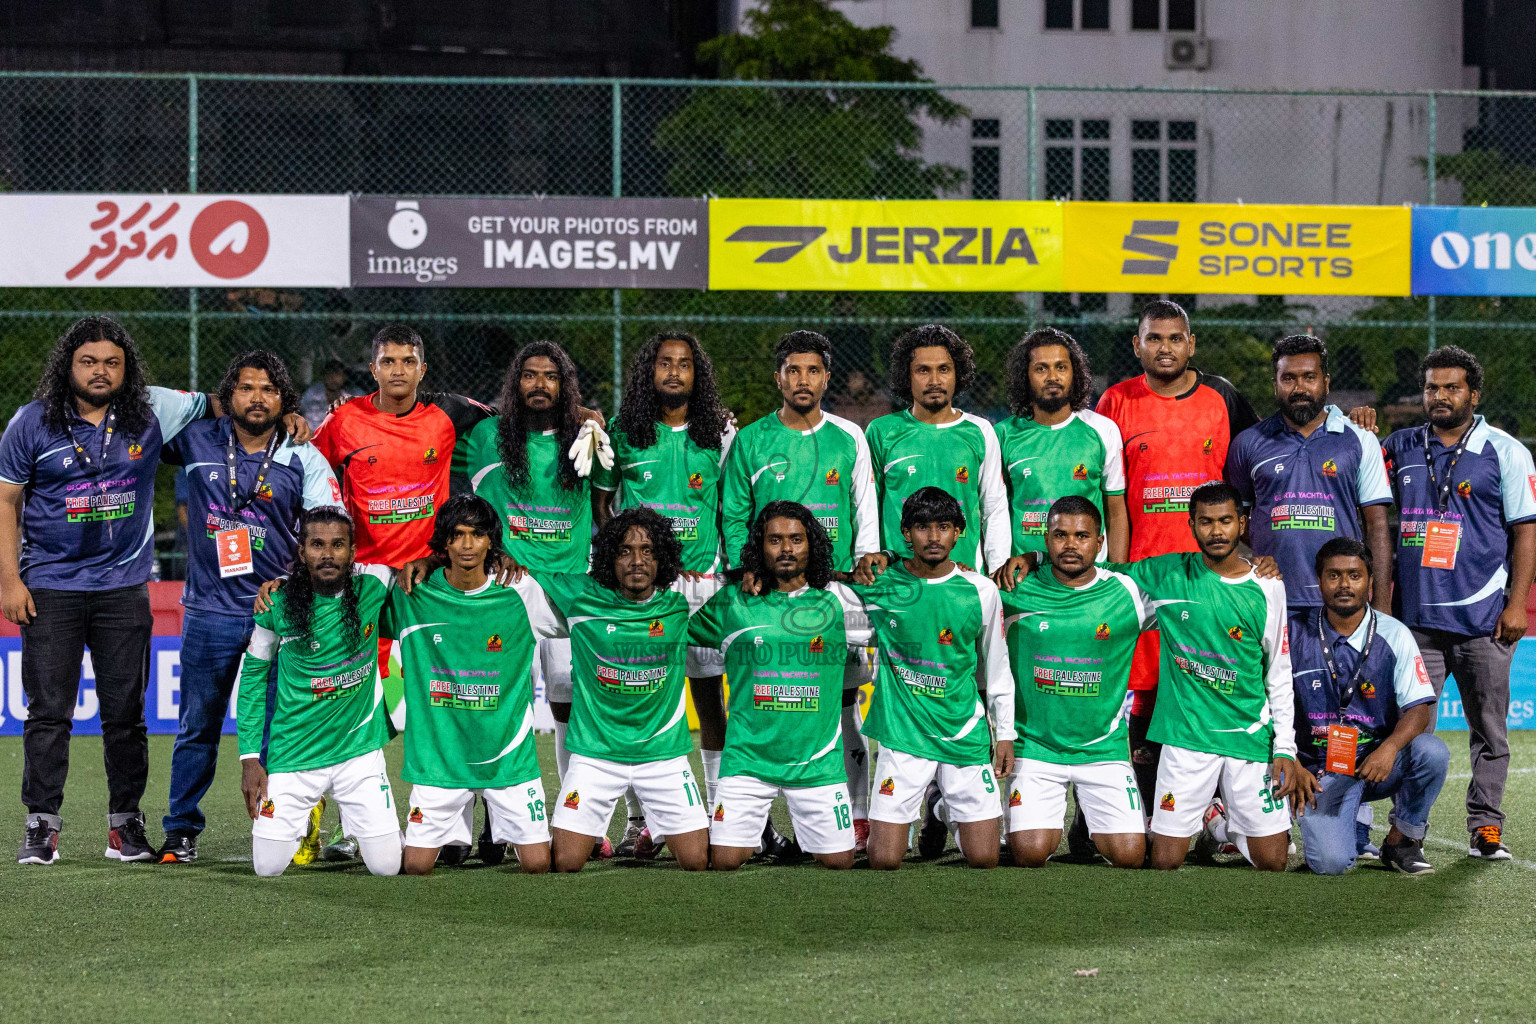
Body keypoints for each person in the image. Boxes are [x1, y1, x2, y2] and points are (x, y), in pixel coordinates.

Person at [1, 316, 302, 867]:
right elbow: (5, 501)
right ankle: (41, 826)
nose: (100, 371)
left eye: (112, 362)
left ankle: (125, 826)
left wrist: (288, 416)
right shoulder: (31, 424)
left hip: (123, 587)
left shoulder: (152, 409)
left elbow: (227, 401)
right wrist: (9, 580)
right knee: (48, 712)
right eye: (88, 361)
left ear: (127, 367)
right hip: (51, 585)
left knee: (125, 715)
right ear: (68, 364)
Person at [156, 351, 340, 864]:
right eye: (245, 388)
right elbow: (140, 420)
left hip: (278, 614)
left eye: (268, 390)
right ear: (228, 396)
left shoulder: (302, 454)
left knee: (284, 727)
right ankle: (181, 830)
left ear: (284, 401)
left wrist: (296, 585)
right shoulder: (195, 439)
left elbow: (330, 527)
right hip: (210, 610)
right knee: (198, 725)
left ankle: (288, 824)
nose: (256, 398)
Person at [1093, 299, 1258, 825]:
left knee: (1213, 679)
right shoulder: (1115, 401)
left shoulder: (1223, 397)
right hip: (1140, 573)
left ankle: (1224, 813)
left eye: (1175, 338)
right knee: (1142, 690)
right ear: (1136, 345)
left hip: (1210, 573)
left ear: (1192, 344)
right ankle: (1137, 810)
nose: (1165, 347)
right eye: (1154, 338)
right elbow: (1101, 488)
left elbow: (1264, 450)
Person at [720, 329, 879, 846]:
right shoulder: (751, 440)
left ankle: (857, 814)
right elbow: (736, 514)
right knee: (769, 696)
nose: (803, 379)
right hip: (769, 593)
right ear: (779, 378)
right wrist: (747, 567)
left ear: (827, 377)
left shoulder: (848, 437)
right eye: (793, 370)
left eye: (813, 370)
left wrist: (861, 563)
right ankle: (758, 820)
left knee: (842, 699)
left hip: (832, 590)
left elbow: (864, 507)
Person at [1381, 345, 1536, 861]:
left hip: (1483, 620)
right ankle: (1406, 833)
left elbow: (1525, 533)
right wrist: (1355, 420)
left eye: (1451, 387)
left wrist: (1518, 605)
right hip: (1417, 623)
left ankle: (1486, 826)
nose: (1440, 396)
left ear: (1474, 392)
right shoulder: (1400, 445)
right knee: (1411, 733)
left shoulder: (1506, 450)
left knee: (1489, 730)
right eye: (1431, 388)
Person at [464, 340, 613, 855]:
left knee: (573, 705)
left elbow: (604, 511)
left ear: (564, 385)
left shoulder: (587, 436)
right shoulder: (485, 436)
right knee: (495, 705)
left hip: (573, 586)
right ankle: (489, 826)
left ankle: (577, 822)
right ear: (515, 383)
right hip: (507, 587)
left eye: (550, 376)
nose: (539, 385)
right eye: (529, 375)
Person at [593, 331, 734, 857]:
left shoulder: (719, 433)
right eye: (664, 363)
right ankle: (640, 823)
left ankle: (722, 813)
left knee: (710, 701)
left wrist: (722, 567)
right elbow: (604, 507)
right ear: (648, 372)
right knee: (642, 697)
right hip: (643, 593)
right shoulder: (623, 434)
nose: (674, 372)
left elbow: (727, 508)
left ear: (698, 375)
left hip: (702, 589)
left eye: (684, 364)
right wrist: (624, 569)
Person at [1126, 481, 1297, 872]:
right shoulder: (1168, 575)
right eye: (1205, 522)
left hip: (1247, 738)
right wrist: (1035, 558)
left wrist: (1284, 748)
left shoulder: (1268, 586)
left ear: (1242, 522)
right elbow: (1100, 575)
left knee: (1272, 863)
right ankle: (1213, 819)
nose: (1216, 531)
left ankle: (1219, 825)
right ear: (1191, 525)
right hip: (1187, 739)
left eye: (1225, 521)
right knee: (1165, 861)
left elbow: (1278, 673)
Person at [382, 495, 558, 875]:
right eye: (457, 535)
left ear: (491, 541)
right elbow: (353, 586)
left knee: (540, 865)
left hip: (508, 761)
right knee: (415, 868)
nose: (466, 545)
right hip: (439, 761)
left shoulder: (521, 591)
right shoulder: (413, 592)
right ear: (443, 542)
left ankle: (495, 824)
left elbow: (578, 613)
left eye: (477, 535)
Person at [538, 508, 717, 872]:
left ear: (662, 557)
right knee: (565, 862)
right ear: (608, 557)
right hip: (595, 756)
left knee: (698, 860)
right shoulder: (580, 596)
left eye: (648, 551)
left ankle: (655, 827)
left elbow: (743, 590)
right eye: (625, 551)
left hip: (662, 757)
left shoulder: (682, 598)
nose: (637, 561)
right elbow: (527, 573)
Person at [848, 487, 1015, 870]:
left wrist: (1004, 734)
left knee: (986, 858)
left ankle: (940, 807)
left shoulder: (981, 590)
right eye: (922, 527)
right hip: (904, 735)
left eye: (944, 526)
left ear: (959, 532)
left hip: (962, 732)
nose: (933, 536)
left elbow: (998, 666)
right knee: (884, 859)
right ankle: (938, 801)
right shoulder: (881, 586)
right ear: (906, 533)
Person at [690, 502, 859, 871]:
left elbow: (909, 611)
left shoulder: (839, 600)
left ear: (811, 545)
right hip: (748, 761)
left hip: (817, 765)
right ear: (759, 547)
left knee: (840, 861)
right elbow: (672, 625)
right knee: (723, 861)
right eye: (775, 540)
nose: (786, 549)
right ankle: (759, 831)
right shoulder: (735, 600)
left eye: (796, 539)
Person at [236, 506, 402, 877]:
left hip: (358, 755)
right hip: (294, 756)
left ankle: (367, 824)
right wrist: (249, 758)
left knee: (388, 867)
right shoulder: (276, 602)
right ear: (301, 552)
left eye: (338, 545)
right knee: (266, 868)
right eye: (317, 545)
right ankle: (309, 816)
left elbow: (419, 568)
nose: (328, 554)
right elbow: (251, 680)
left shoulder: (373, 586)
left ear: (353, 551)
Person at [996, 496, 1153, 869]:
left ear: (1100, 543)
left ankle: (1086, 817)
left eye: (1082, 536)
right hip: (1035, 748)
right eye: (1060, 535)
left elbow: (1194, 580)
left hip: (1103, 750)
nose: (1070, 544)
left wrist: (1255, 567)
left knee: (1130, 856)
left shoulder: (1128, 591)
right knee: (1030, 853)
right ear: (1045, 539)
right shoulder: (1013, 589)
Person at [1288, 538, 1447, 876]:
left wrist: (1389, 749)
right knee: (1331, 864)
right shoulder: (1293, 634)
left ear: (1371, 583)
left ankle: (1402, 841)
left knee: (1431, 752)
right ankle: (1343, 827)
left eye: (1354, 576)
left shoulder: (1395, 634)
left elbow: (1419, 710)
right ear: (1319, 581)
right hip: (1317, 774)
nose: (1344, 585)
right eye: (1333, 576)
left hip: (1375, 764)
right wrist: (1292, 762)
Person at [1226, 335, 1393, 613]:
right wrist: (1273, 542)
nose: (1299, 388)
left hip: (1341, 604)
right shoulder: (1247, 443)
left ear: (1326, 383)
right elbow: (1237, 521)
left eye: (1309, 377)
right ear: (1275, 384)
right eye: (1288, 378)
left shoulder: (1360, 438)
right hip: (1270, 599)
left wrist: (1383, 606)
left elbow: (1376, 525)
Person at [865, 324, 1009, 574]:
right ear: (907, 376)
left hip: (963, 577)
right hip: (898, 581)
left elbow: (994, 509)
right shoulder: (881, 431)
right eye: (923, 370)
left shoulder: (981, 431)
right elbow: (867, 509)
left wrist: (996, 570)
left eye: (944, 369)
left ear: (957, 374)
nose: (934, 381)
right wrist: (869, 563)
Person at [995, 327, 1128, 562]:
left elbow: (1115, 511)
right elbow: (993, 510)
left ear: (1074, 373)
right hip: (1025, 575)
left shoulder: (1102, 430)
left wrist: (1116, 574)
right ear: (1025, 376)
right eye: (1041, 368)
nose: (1052, 377)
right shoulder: (1003, 434)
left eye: (1061, 367)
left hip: (1089, 575)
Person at [300, 358, 352, 431]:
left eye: (337, 374)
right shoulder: (313, 392)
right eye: (329, 374)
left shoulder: (351, 397)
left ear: (344, 377)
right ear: (324, 376)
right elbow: (301, 409)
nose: (333, 378)